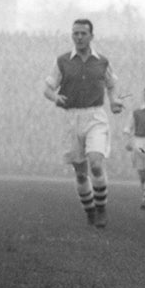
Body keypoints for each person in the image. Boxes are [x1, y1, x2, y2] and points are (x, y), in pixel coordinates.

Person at [43, 18, 122, 227]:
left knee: (96, 163)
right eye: (75, 33)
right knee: (80, 173)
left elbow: (112, 84)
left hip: (95, 116)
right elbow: (47, 88)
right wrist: (55, 97)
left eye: (82, 33)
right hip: (71, 118)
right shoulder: (63, 61)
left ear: (91, 36)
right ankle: (89, 210)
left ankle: (102, 207)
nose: (78, 37)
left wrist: (114, 101)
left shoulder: (102, 61)